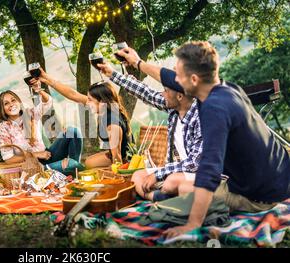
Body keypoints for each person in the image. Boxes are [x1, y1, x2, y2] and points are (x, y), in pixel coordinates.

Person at [163, 41, 290, 238]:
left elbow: (209, 170)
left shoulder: (214, 109)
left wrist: (192, 224)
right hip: (280, 176)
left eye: (178, 75)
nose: (175, 81)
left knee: (180, 189)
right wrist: (137, 63)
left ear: (194, 79)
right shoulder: (229, 89)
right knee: (178, 184)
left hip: (262, 196)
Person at [97, 48, 202, 202]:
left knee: (172, 182)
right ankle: (156, 197)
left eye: (166, 90)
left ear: (180, 95)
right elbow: (146, 93)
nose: (162, 94)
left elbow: (194, 163)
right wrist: (112, 74)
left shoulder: (201, 116)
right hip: (176, 172)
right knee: (138, 175)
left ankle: (161, 196)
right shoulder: (174, 107)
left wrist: (158, 174)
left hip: (200, 174)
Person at [34, 68, 132, 168]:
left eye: (90, 100)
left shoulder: (112, 123)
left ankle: (63, 169)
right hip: (115, 153)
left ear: (102, 101)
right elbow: (73, 94)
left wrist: (118, 175)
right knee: (89, 162)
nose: (87, 102)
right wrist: (46, 78)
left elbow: (117, 156)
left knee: (80, 165)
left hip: (125, 161)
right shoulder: (105, 108)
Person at [0, 81, 83, 175]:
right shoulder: (4, 128)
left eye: (13, 100)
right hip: (31, 166)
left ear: (19, 102)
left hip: (47, 156)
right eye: (6, 103)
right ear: (2, 108)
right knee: (70, 165)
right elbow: (9, 159)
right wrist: (35, 155)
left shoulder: (29, 114)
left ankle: (75, 172)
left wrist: (39, 90)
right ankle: (74, 169)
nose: (11, 104)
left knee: (72, 131)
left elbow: (47, 103)